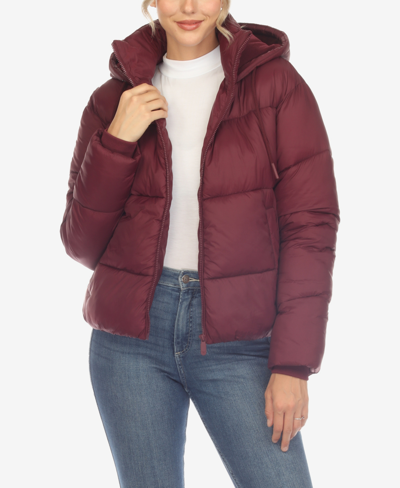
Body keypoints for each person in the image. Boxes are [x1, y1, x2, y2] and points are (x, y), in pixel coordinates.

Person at [60, 0, 340, 486]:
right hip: (130, 340)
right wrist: (118, 141)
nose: (189, 6)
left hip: (241, 339)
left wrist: (293, 363)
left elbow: (310, 227)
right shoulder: (114, 99)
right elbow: (81, 243)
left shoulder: (276, 86)